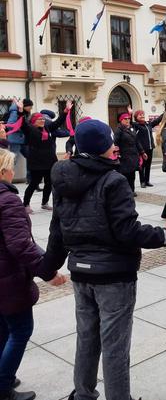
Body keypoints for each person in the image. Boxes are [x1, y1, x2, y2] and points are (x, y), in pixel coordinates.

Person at [40, 119, 166, 400]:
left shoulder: (64, 178)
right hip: (114, 277)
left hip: (81, 274)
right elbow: (127, 231)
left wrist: (48, 268)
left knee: (87, 339)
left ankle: (83, 394)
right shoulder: (113, 181)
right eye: (109, 141)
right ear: (101, 146)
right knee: (115, 348)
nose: (114, 146)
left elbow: (58, 231)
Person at [0, 149, 66, 400]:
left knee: (3, 329)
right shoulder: (7, 200)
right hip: (8, 279)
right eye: (12, 166)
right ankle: (3, 387)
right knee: (20, 331)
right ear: (4, 171)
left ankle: (3, 373)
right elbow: (20, 245)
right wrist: (46, 272)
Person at [20, 101, 70, 213]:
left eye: (43, 119)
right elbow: (22, 123)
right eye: (40, 119)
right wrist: (21, 111)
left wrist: (65, 111)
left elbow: (58, 122)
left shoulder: (47, 128)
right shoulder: (30, 129)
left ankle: (44, 203)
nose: (42, 121)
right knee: (34, 183)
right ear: (33, 121)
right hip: (36, 161)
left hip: (50, 160)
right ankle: (26, 204)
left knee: (49, 183)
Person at [113, 111, 145, 194]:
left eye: (128, 119)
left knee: (132, 175)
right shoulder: (118, 130)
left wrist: (142, 152)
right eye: (125, 119)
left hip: (133, 156)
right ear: (121, 120)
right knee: (125, 175)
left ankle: (132, 190)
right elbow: (115, 143)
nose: (127, 120)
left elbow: (137, 141)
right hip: (124, 157)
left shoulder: (131, 128)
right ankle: (125, 192)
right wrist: (117, 153)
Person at [5, 99, 32, 179]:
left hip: (22, 140)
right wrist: (23, 128)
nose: (30, 108)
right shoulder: (14, 112)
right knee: (12, 160)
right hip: (15, 140)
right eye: (30, 107)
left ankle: (30, 178)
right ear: (25, 106)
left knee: (30, 156)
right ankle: (5, 178)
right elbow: (10, 125)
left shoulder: (25, 113)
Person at [132, 110, 160, 188]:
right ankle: (142, 182)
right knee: (142, 165)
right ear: (136, 117)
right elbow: (129, 122)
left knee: (148, 165)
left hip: (150, 148)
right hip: (142, 149)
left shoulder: (148, 124)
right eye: (140, 115)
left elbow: (157, 120)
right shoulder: (136, 125)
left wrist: (165, 113)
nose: (142, 116)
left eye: (143, 114)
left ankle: (147, 181)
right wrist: (130, 113)